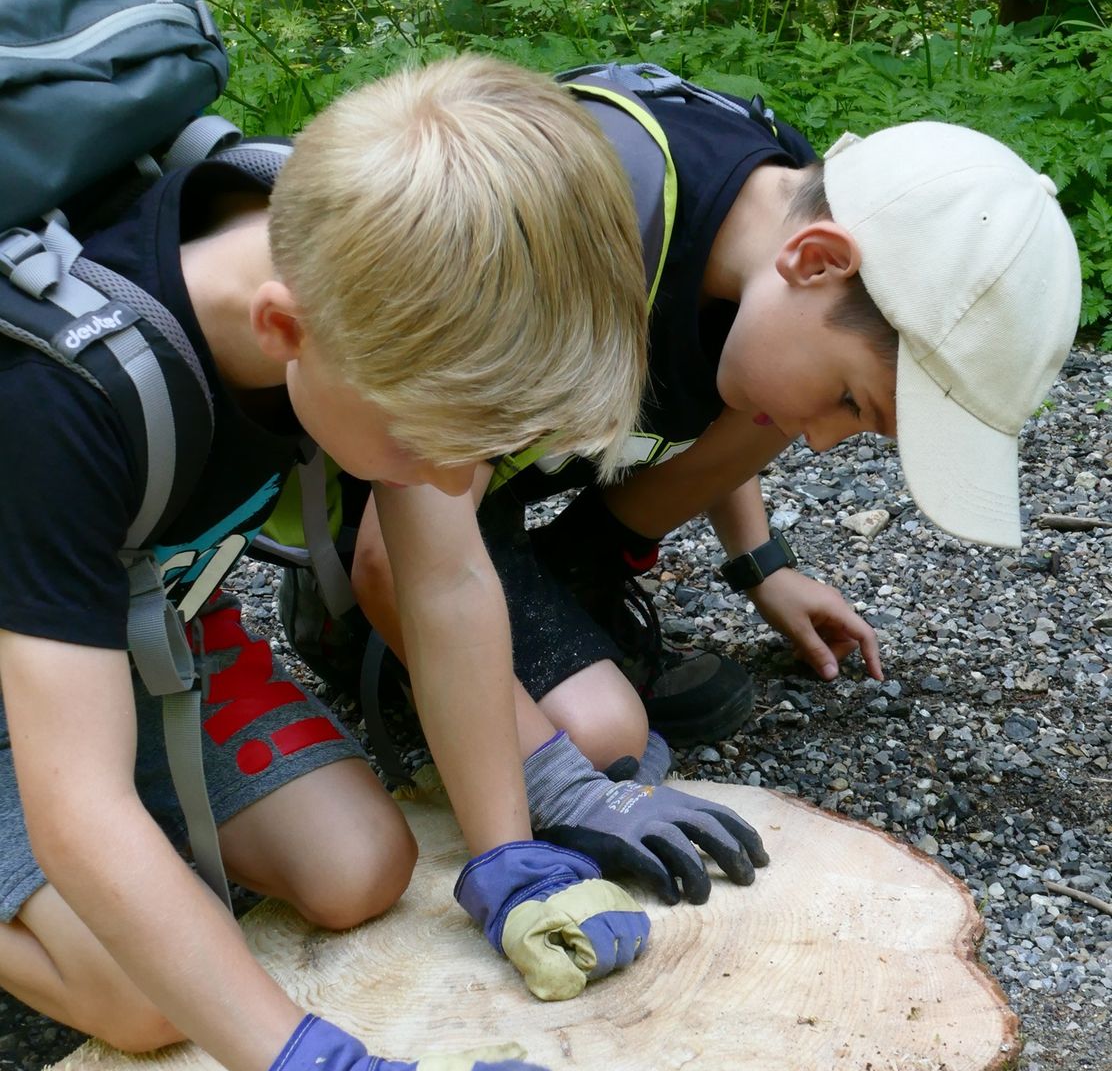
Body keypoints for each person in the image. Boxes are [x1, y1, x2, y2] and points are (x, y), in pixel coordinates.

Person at [0, 55, 764, 1071]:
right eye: (436, 442)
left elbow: (449, 578)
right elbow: (81, 800)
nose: (456, 475)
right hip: (36, 661)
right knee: (139, 997)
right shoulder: (64, 401)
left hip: (129, 619)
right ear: (280, 327)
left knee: (361, 867)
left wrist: (508, 852)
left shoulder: (371, 291)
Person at [346, 85, 1081, 801]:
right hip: (382, 497)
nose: (823, 441)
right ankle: (342, 622)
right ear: (818, 259)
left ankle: (568, 578)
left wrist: (762, 564)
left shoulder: (783, 195)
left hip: (504, 463)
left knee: (783, 392)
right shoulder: (568, 237)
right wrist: (559, 787)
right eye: (851, 400)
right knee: (601, 739)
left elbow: (739, 360)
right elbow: (390, 557)